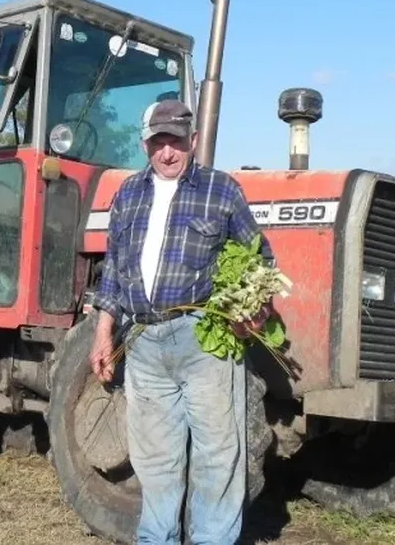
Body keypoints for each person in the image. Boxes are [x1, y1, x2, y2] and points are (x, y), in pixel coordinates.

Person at [88, 98, 273, 545]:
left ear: (192, 141)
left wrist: (254, 310)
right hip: (144, 341)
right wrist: (102, 332)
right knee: (155, 460)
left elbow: (260, 260)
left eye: (175, 142)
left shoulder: (221, 190)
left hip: (203, 340)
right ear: (145, 145)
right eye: (157, 142)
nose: (166, 152)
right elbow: (113, 268)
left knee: (217, 455)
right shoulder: (129, 193)